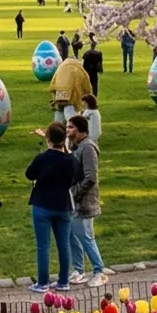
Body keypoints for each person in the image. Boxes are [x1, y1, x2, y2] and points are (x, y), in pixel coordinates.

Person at [23, 123, 81, 289]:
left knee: (43, 245)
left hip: (42, 203)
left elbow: (29, 174)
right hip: (63, 204)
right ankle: (63, 281)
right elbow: (77, 176)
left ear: (48, 139)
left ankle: (42, 282)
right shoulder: (71, 160)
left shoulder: (42, 158)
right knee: (63, 244)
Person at [66, 114, 107, 280]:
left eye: (71, 127)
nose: (67, 130)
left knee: (86, 237)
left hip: (84, 202)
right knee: (72, 236)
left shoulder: (88, 148)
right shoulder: (76, 146)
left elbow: (90, 178)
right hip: (72, 202)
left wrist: (74, 193)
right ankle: (79, 270)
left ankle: (99, 271)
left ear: (80, 129)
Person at [48, 46, 94, 123]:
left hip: (59, 94)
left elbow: (53, 81)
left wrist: (54, 93)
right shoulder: (79, 68)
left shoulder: (62, 66)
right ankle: (74, 128)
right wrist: (89, 94)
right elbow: (86, 82)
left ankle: (57, 129)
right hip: (72, 95)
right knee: (70, 114)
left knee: (59, 110)